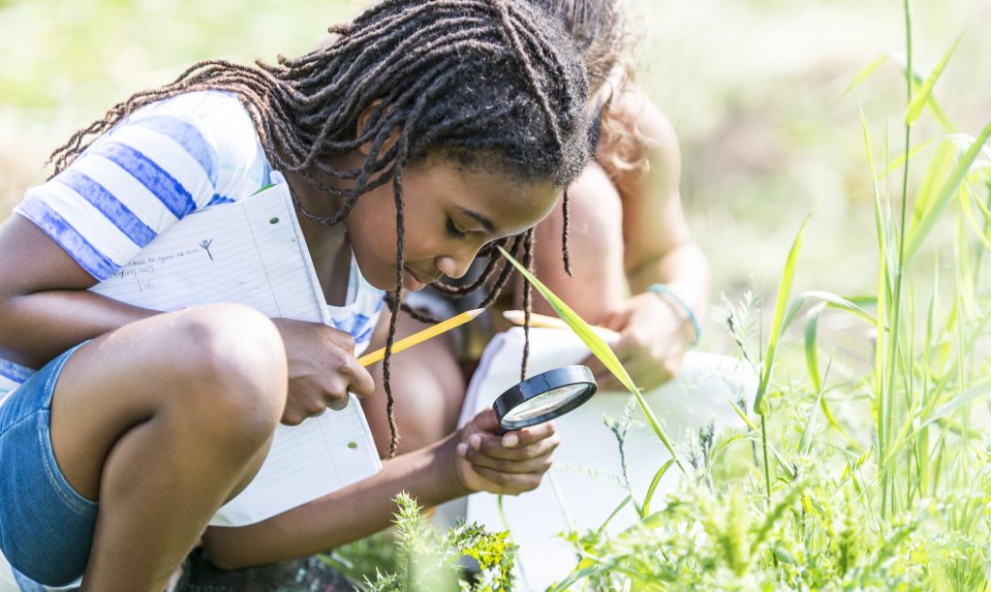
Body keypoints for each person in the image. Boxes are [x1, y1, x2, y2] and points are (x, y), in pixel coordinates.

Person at [0, 0, 593, 590]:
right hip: (19, 482)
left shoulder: (358, 285)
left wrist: (452, 464)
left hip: (92, 554)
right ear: (382, 134)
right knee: (235, 354)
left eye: (486, 248)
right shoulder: (215, 142)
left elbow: (233, 538)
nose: (456, 266)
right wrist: (261, 353)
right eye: (459, 227)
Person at [361, 0, 711, 458]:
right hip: (409, 301)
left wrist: (675, 311)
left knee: (580, 202)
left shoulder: (627, 127)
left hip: (547, 315)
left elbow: (666, 250)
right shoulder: (392, 68)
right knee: (404, 412)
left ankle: (572, 461)